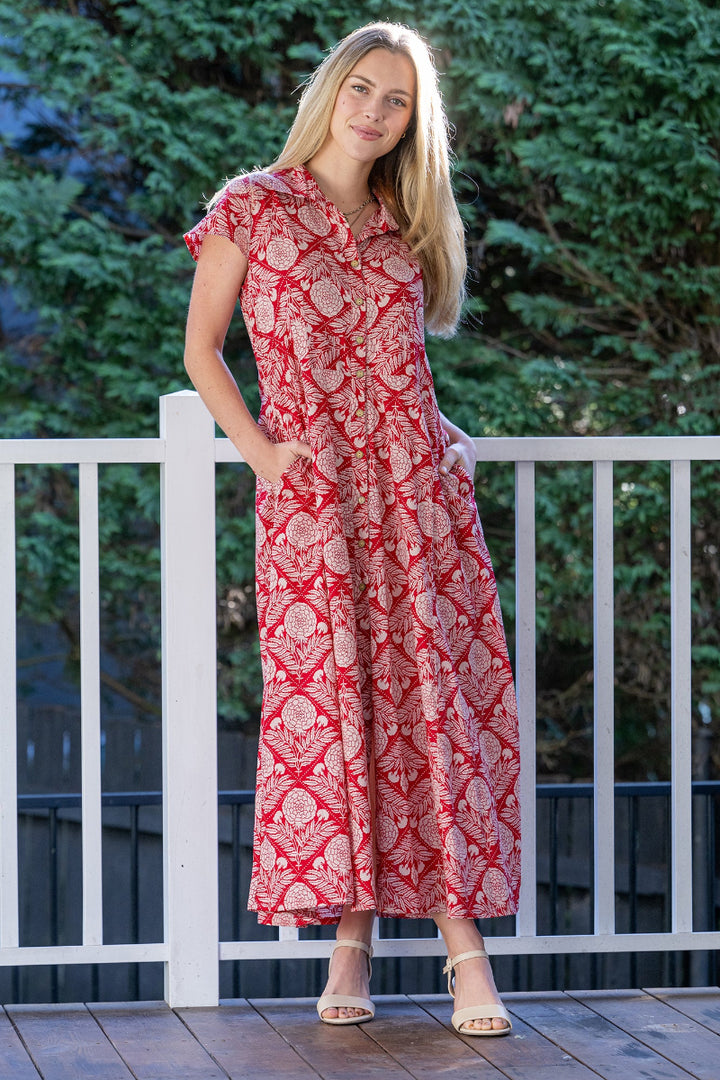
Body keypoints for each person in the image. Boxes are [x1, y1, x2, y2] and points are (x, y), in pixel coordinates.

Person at [183, 21, 520, 1036]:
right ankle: (351, 940)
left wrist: (447, 437)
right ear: (331, 90)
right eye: (363, 89)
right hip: (313, 512)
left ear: (416, 123)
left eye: (399, 102)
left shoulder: (401, 222)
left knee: (425, 717)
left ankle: (467, 958)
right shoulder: (254, 205)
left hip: (418, 507)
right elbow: (203, 352)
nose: (374, 113)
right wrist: (263, 454)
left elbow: (400, 375)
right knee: (339, 720)